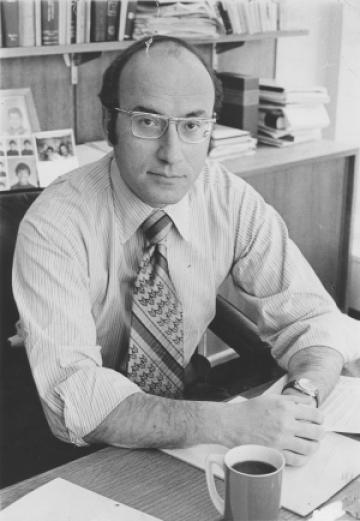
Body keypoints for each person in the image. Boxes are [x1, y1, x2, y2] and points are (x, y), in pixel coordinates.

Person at [13, 36, 358, 467]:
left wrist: (300, 398)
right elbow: (74, 396)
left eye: (192, 125)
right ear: (109, 122)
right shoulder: (55, 223)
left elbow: (315, 318)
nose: (172, 154)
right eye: (147, 121)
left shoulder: (229, 198)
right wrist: (231, 425)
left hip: (192, 418)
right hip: (80, 448)